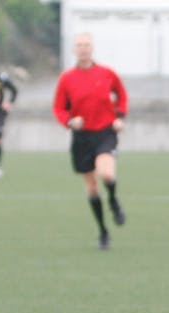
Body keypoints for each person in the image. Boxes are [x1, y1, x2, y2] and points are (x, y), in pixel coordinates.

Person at [52, 33, 128, 250]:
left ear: (92, 48)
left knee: (107, 173)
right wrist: (69, 121)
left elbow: (121, 96)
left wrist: (120, 117)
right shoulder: (66, 78)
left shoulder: (107, 74)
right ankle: (103, 231)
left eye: (86, 45)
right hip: (82, 137)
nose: (83, 49)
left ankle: (113, 201)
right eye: (79, 45)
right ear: (74, 50)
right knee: (92, 187)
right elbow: (58, 108)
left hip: (105, 133)